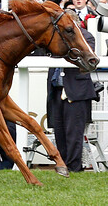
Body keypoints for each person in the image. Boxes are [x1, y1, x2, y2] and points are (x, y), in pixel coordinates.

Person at [47, 27, 98, 172]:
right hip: (56, 90)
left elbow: (83, 56)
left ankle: (74, 167)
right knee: (59, 131)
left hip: (76, 91)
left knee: (74, 132)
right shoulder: (54, 37)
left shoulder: (87, 37)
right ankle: (62, 166)